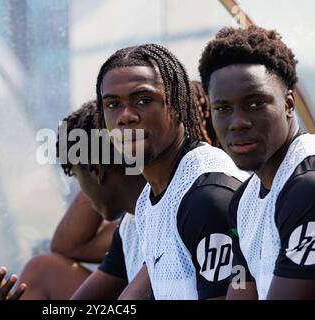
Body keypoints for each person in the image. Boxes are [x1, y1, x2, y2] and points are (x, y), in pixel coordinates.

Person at [96, 43, 248, 299]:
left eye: (143, 100)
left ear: (178, 104)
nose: (125, 116)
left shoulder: (206, 196)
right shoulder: (148, 199)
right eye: (112, 105)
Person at [0, 100, 147, 300]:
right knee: (42, 269)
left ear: (95, 171)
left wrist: (99, 169)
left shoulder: (169, 216)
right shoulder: (129, 228)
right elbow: (69, 248)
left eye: (78, 178)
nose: (82, 195)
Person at [199, 25, 315, 300]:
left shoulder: (307, 188)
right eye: (223, 109)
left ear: (288, 105)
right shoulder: (243, 201)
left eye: (255, 104)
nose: (238, 122)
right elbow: (241, 288)